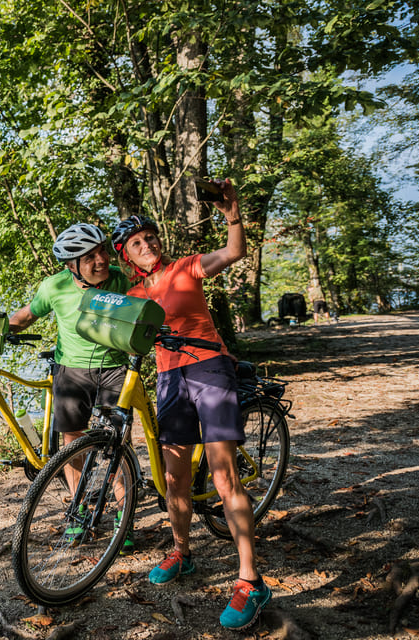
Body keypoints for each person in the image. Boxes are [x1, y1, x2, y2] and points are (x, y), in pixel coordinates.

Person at [111, 180, 272, 631]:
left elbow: (233, 252)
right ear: (128, 256)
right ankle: (182, 551)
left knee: (223, 476)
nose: (147, 246)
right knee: (174, 478)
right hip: (168, 379)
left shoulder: (186, 267)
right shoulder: (135, 296)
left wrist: (232, 212)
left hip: (208, 367)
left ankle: (249, 581)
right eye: (137, 244)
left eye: (150, 238)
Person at [9, 223, 133, 551]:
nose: (101, 259)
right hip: (72, 372)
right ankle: (78, 514)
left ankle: (124, 513)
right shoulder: (55, 287)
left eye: (102, 251)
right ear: (71, 265)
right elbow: (25, 316)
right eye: (90, 256)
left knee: (119, 445)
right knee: (71, 444)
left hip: (115, 369)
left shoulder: (123, 278)